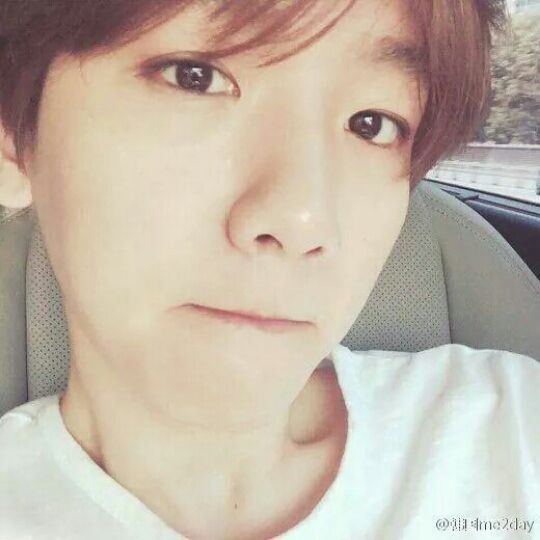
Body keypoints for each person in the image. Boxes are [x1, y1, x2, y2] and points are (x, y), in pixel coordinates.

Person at [0, 0, 538, 539]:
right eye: (195, 78)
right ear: (14, 139)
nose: (303, 220)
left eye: (372, 124)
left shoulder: (511, 427)